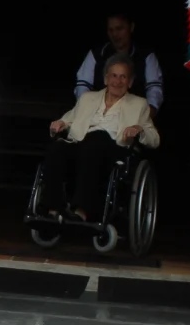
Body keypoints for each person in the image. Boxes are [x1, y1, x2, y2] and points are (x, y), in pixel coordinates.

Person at [39, 54, 159, 221]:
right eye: (114, 75)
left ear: (130, 82)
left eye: (123, 77)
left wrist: (139, 129)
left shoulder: (139, 104)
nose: (117, 81)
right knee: (58, 147)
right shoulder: (88, 98)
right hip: (82, 145)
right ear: (106, 79)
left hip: (114, 150)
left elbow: (154, 139)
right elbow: (69, 119)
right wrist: (61, 123)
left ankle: (81, 211)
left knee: (96, 139)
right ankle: (53, 209)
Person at [73, 12, 164, 110]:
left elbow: (154, 88)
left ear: (131, 27)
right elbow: (83, 85)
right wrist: (86, 108)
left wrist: (149, 111)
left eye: (119, 29)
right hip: (99, 112)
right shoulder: (96, 54)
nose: (115, 34)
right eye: (111, 30)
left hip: (134, 112)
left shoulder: (146, 55)